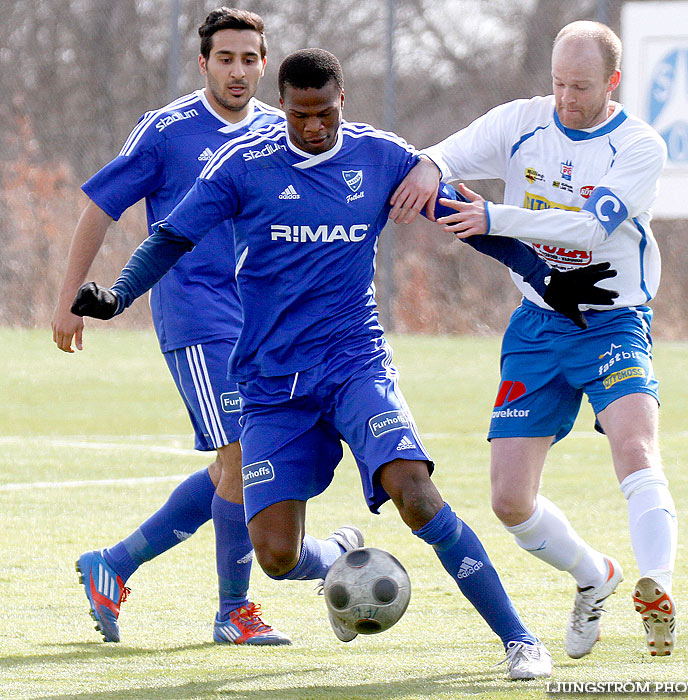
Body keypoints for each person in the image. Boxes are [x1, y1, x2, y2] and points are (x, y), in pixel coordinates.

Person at [66, 47, 608, 681]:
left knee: (415, 493)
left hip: (354, 363)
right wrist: (118, 293)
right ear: (285, 107)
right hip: (271, 383)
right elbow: (172, 237)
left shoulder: (382, 158)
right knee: (273, 555)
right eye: (300, 115)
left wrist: (547, 277)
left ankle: (520, 640)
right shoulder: (243, 165)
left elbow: (469, 218)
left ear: (342, 103)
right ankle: (339, 559)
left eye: (325, 114)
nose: (314, 127)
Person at [389, 20, 678, 659]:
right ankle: (593, 575)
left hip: (612, 318)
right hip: (537, 327)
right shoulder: (523, 122)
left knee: (634, 444)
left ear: (613, 83)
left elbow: (586, 230)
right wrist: (425, 172)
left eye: (582, 88)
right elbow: (440, 158)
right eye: (558, 84)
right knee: (509, 500)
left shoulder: (638, 146)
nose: (567, 99)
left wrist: (494, 216)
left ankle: (657, 582)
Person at [51, 7, 292, 646]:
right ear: (205, 61)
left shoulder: (278, 132)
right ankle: (234, 612)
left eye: (249, 59)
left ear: (264, 64)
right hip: (195, 314)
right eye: (225, 59)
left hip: (262, 321)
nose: (238, 71)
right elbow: (99, 209)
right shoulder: (166, 131)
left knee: (232, 467)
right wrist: (70, 298)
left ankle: (115, 564)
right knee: (241, 454)